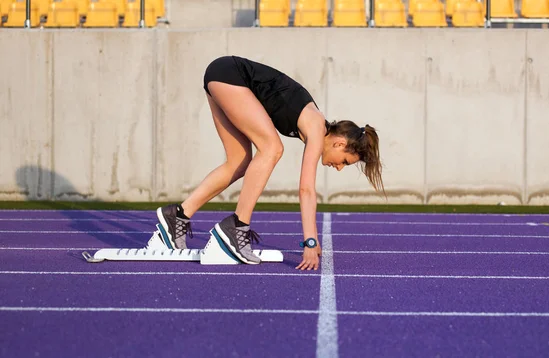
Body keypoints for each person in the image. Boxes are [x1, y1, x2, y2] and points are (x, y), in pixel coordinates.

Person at [154, 55, 384, 270]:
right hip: (230, 76)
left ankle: (177, 217)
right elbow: (306, 190)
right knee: (272, 148)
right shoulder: (316, 127)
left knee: (239, 161)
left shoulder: (313, 124)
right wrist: (310, 241)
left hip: (222, 75)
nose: (339, 167)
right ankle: (236, 226)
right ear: (340, 143)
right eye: (344, 161)